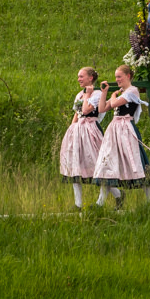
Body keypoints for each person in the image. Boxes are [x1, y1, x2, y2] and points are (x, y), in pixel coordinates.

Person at [90, 65, 150, 208]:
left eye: (119, 76)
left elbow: (114, 103)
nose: (117, 79)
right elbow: (101, 108)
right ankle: (100, 202)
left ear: (128, 76)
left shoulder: (132, 91)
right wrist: (104, 93)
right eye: (116, 77)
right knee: (107, 162)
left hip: (126, 129)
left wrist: (113, 95)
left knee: (135, 161)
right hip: (114, 130)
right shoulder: (122, 93)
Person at [60, 67, 105, 209]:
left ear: (90, 78)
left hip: (91, 130)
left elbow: (86, 110)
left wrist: (88, 95)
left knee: (97, 164)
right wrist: (71, 129)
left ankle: (116, 194)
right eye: (78, 76)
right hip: (78, 130)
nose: (78, 79)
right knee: (76, 164)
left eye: (81, 76)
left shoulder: (97, 94)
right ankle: (78, 204)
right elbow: (77, 113)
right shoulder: (79, 94)